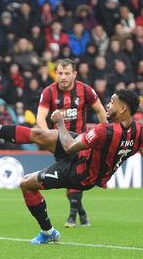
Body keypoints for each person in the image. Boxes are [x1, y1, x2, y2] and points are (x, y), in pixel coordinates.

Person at [0, 89, 143, 244]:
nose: (107, 105)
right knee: (40, 135)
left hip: (81, 173)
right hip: (85, 155)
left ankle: (48, 233)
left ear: (122, 109)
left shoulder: (104, 131)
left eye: (111, 102)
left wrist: (60, 122)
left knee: (26, 183)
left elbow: (68, 146)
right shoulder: (141, 130)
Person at [36, 59, 107, 228]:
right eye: (60, 73)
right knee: (69, 182)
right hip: (59, 144)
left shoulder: (85, 90)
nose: (63, 77)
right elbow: (40, 117)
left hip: (79, 143)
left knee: (76, 178)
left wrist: (103, 135)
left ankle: (71, 216)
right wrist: (47, 136)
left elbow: (100, 111)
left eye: (67, 73)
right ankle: (82, 213)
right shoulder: (49, 92)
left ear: (74, 74)